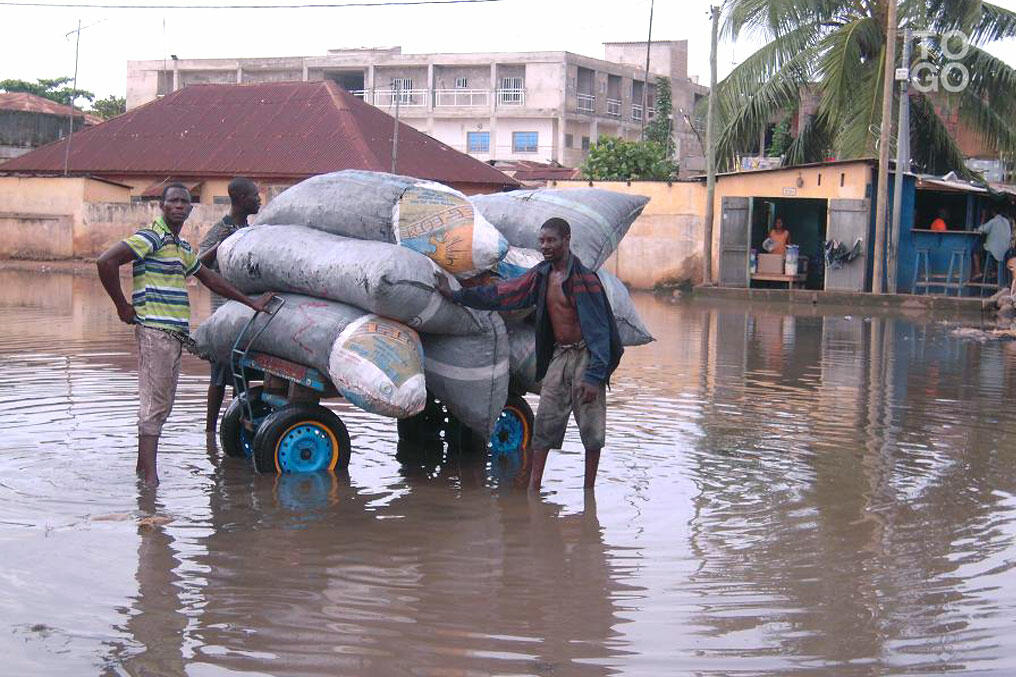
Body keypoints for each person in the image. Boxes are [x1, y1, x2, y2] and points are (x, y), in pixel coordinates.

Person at [97, 183, 270, 486]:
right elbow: (106, 261)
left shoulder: (180, 246)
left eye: (184, 202)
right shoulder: (151, 237)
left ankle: (143, 470)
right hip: (156, 331)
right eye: (173, 201)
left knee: (161, 402)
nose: (179, 206)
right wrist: (122, 306)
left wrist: (250, 302)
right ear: (161, 206)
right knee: (156, 402)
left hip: (173, 334)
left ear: (191, 209)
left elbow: (210, 279)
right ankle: (151, 480)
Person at [434, 217, 623, 492]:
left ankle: (588, 493)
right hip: (560, 356)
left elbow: (601, 331)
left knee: (591, 432)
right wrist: (458, 295)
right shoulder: (542, 275)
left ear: (566, 240)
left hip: (586, 357)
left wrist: (595, 376)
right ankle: (534, 488)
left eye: (551, 240)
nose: (545, 246)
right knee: (545, 423)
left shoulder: (584, 280)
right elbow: (505, 293)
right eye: (542, 240)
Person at [198, 177, 262, 435]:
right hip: (224, 313)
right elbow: (197, 264)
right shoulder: (221, 229)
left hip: (245, 313)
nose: (259, 200)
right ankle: (210, 433)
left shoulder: (249, 229)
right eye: (255, 196)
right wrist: (222, 244)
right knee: (219, 375)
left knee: (242, 374)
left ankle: (235, 428)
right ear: (240, 199)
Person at [971, 206, 1012, 281]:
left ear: (993, 212)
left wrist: (983, 218)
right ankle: (994, 271)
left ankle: (978, 272)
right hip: (1006, 249)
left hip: (994, 250)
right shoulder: (1006, 221)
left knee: (975, 250)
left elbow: (981, 229)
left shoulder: (993, 221)